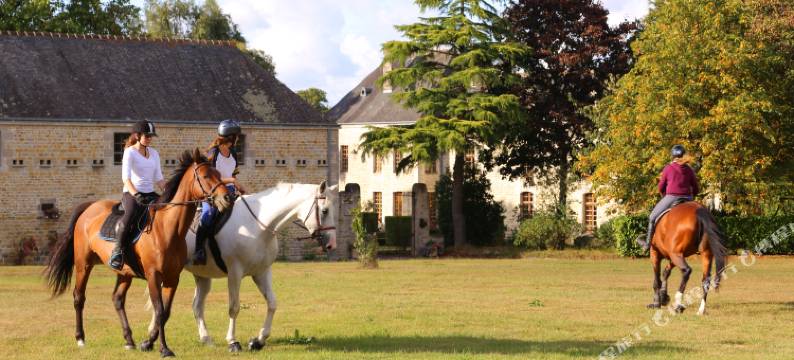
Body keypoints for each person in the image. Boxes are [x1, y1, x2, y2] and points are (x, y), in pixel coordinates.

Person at [110, 120, 165, 270]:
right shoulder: (130, 152)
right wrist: (136, 194)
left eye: (151, 136)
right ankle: (117, 251)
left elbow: (159, 178)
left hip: (150, 193)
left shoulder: (154, 153)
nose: (149, 138)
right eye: (147, 136)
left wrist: (168, 192)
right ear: (137, 135)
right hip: (132, 193)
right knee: (130, 215)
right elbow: (126, 178)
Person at [193, 119, 247, 265]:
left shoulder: (233, 153)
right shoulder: (213, 153)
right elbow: (210, 178)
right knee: (207, 215)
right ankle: (199, 251)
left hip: (230, 191)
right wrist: (232, 181)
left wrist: (239, 187)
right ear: (231, 137)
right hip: (213, 193)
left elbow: (233, 174)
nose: (238, 139)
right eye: (237, 136)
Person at [638, 144, 700, 251]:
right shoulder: (689, 169)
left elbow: (661, 186)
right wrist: (692, 198)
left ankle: (647, 244)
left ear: (672, 156)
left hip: (672, 197)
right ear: (683, 155)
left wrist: (664, 195)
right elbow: (696, 187)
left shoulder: (668, 168)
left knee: (652, 217)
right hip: (688, 199)